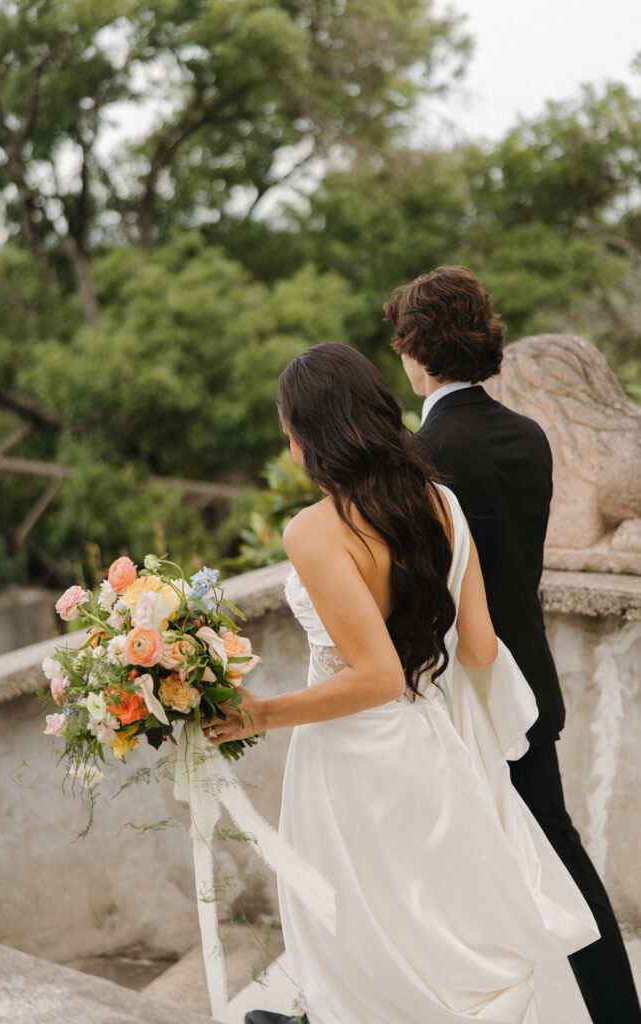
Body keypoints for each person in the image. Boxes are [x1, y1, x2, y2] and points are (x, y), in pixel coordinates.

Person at [205, 342, 598, 1024]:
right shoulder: (440, 502)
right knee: (424, 927)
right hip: (428, 743)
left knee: (359, 925)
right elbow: (478, 650)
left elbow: (375, 677)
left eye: (286, 430)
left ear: (308, 434)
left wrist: (259, 713)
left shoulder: (314, 531)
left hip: (350, 762)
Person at [384, 265, 641, 1024]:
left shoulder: (418, 456)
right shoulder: (527, 437)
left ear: (416, 352)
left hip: (448, 689)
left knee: (396, 859)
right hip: (525, 684)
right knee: (561, 858)